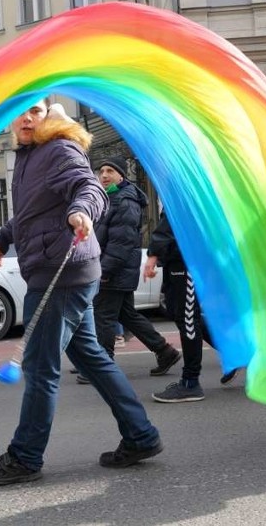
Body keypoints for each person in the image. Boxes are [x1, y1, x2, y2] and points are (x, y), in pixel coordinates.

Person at [0, 99, 162, 485]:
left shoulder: (58, 148)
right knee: (92, 357)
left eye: (35, 111)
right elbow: (30, 211)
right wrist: (3, 238)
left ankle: (24, 457)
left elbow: (89, 188)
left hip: (61, 272)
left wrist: (81, 212)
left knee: (40, 368)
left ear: (49, 115)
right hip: (66, 269)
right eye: (21, 111)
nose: (27, 118)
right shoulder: (29, 157)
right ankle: (140, 435)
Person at [86, 156, 180, 380]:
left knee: (104, 317)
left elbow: (122, 242)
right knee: (127, 316)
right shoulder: (111, 198)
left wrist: (104, 271)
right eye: (101, 171)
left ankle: (103, 365)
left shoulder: (124, 201)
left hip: (114, 271)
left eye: (110, 170)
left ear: (121, 175)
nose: (105, 175)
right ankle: (164, 351)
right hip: (117, 270)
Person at [146, 213, 238, 403]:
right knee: (181, 315)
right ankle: (235, 351)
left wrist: (153, 254)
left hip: (188, 259)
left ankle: (190, 382)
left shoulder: (181, 184)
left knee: (188, 319)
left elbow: (174, 217)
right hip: (176, 258)